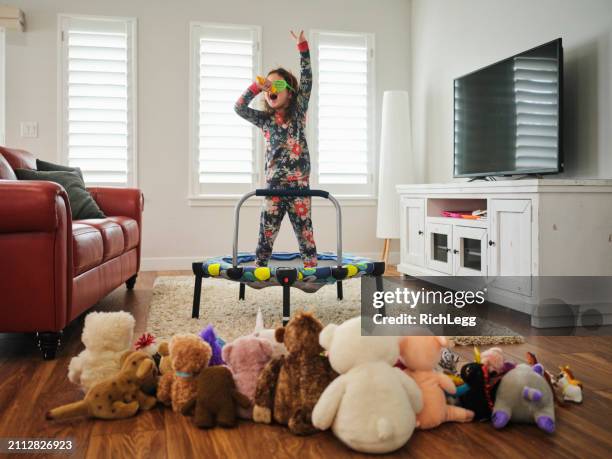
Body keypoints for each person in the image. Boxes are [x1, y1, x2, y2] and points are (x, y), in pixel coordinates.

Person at [234, 30, 317, 268]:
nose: (271, 88)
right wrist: (255, 86)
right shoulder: (265, 120)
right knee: (266, 233)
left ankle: (311, 271)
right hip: (274, 187)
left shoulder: (299, 111)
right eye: (267, 85)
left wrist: (303, 47)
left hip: (299, 187)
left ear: (290, 93)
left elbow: (307, 78)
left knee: (305, 234)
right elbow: (239, 107)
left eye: (277, 84)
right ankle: (260, 269)